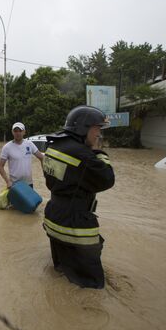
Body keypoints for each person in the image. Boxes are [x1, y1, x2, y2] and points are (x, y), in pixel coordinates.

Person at [42, 105, 115, 289]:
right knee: (93, 286)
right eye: (97, 129)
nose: (99, 134)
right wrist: (98, 152)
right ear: (84, 128)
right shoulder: (83, 155)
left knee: (62, 272)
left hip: (54, 218)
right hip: (75, 225)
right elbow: (107, 179)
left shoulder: (54, 146)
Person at [0, 122, 44, 189]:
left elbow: (42, 158)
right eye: (15, 131)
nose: (18, 133)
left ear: (24, 132)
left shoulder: (29, 144)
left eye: (20, 131)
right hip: (14, 185)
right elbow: (0, 166)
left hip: (29, 184)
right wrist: (7, 181)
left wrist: (45, 174)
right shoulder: (7, 147)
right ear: (12, 132)